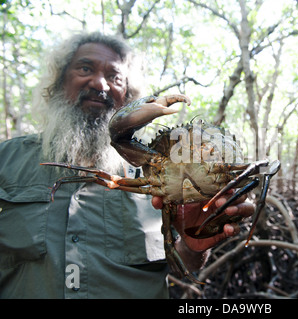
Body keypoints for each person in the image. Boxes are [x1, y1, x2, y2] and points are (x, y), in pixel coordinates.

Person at [0, 32, 253, 298]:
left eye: (114, 76)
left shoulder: (159, 170)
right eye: (85, 68)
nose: (99, 83)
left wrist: (194, 244)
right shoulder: (6, 160)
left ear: (128, 96)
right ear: (58, 79)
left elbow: (182, 266)